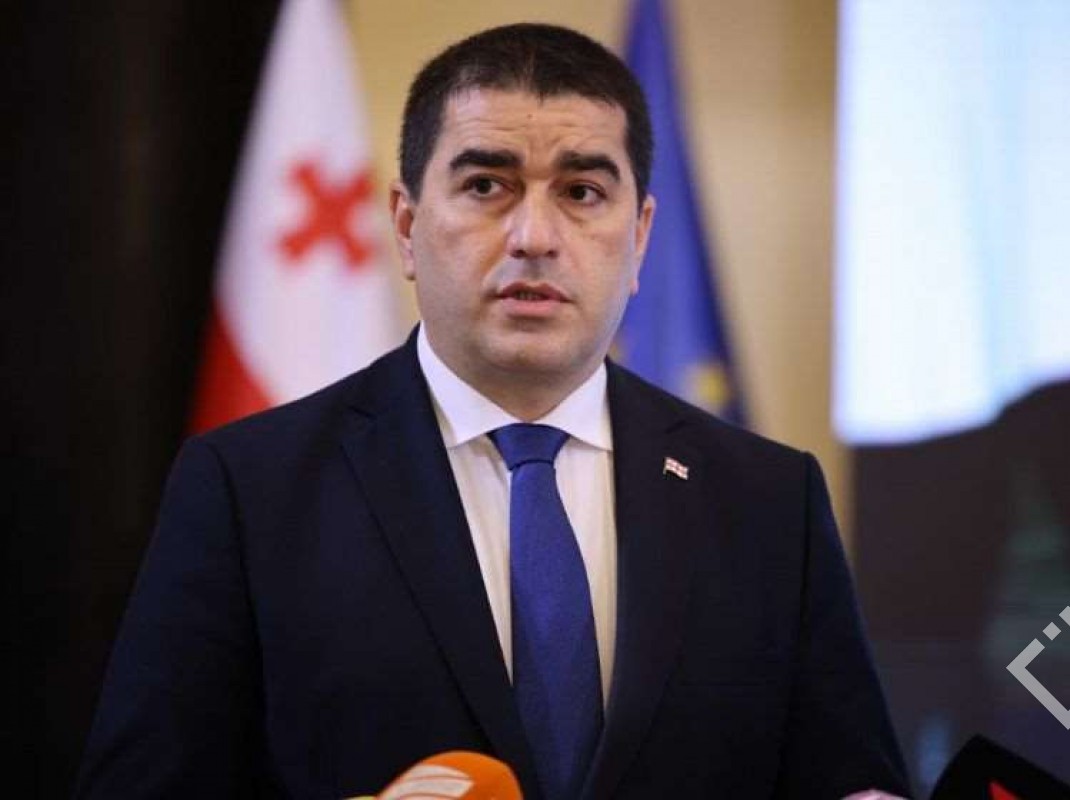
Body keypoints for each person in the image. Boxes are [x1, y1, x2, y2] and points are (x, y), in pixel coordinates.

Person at [76, 23, 909, 800]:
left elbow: (852, 781)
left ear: (639, 237)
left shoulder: (769, 500)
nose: (534, 236)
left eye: (582, 191)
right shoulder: (248, 488)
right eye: (485, 186)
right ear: (407, 226)